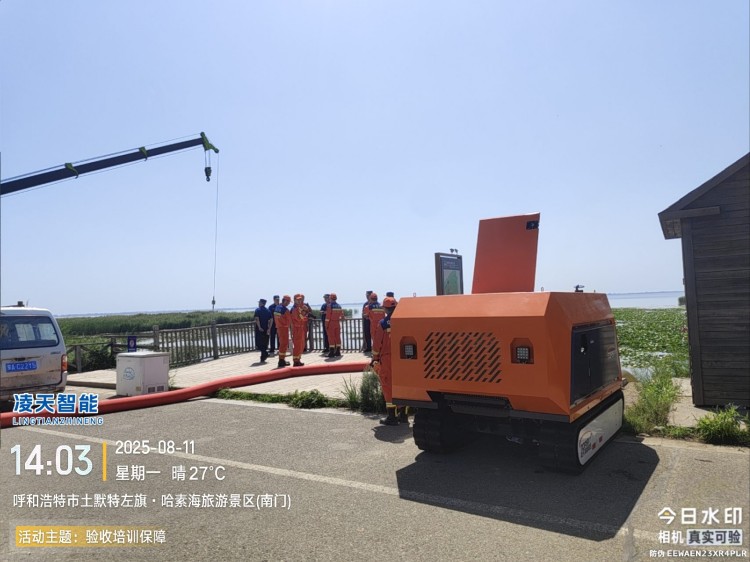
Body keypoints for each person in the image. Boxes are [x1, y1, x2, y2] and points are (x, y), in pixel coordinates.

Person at [372, 296, 406, 425]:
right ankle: (404, 416)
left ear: (385, 309)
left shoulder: (383, 323)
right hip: (403, 358)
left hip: (387, 359)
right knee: (403, 385)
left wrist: (375, 359)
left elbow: (377, 344)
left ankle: (392, 417)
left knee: (388, 386)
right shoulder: (403, 322)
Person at [290, 294, 312, 367]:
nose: (299, 301)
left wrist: (306, 311)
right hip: (297, 329)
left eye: (300, 299)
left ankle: (298, 359)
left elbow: (303, 317)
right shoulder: (294, 309)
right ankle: (295, 361)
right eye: (298, 300)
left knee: (301, 345)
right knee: (297, 345)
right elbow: (300, 318)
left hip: (301, 328)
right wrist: (305, 312)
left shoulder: (299, 308)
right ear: (294, 300)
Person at [273, 295, 292, 367]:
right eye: (288, 302)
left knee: (282, 344)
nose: (289, 303)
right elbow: (288, 320)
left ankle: (282, 359)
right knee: (284, 344)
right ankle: (281, 360)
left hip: (279, 327)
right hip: (283, 328)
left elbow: (277, 318)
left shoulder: (277, 307)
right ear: (285, 301)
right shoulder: (285, 309)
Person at [325, 292, 345, 358]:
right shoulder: (339, 306)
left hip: (331, 323)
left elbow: (328, 317)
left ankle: (331, 352)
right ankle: (338, 351)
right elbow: (342, 316)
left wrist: (326, 325)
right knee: (337, 337)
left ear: (330, 298)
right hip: (337, 323)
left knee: (331, 337)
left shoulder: (329, 306)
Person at [253, 298, 272, 363]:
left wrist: (259, 327)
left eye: (259, 302)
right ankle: (263, 357)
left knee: (259, 343)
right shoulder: (268, 310)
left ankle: (265, 354)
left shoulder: (257, 310)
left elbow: (257, 319)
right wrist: (269, 328)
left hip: (259, 329)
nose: (258, 303)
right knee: (264, 343)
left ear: (261, 303)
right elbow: (271, 320)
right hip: (266, 328)